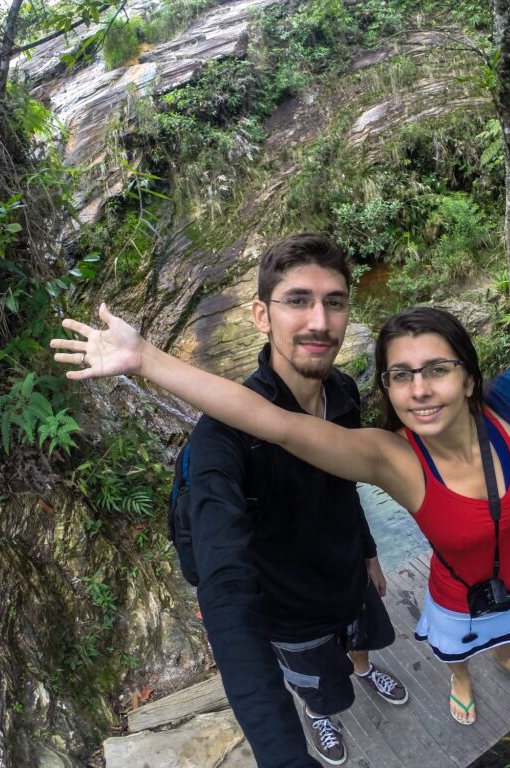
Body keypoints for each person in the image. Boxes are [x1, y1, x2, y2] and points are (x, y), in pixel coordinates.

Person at [51, 245, 510, 729]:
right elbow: (275, 423)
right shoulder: (392, 459)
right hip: (452, 595)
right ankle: (459, 680)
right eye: (401, 376)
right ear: (388, 392)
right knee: (455, 656)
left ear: (470, 379)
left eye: (437, 370)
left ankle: (505, 655)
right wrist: (147, 361)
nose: (420, 389)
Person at [164, 234, 408, 766]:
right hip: (292, 614)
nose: (319, 321)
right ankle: (319, 714)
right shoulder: (223, 438)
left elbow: (343, 483)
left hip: (350, 578)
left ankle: (364, 669)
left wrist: (367, 550)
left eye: (334, 302)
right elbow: (223, 583)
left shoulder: (341, 391)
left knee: (362, 647)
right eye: (298, 300)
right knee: (323, 689)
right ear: (261, 315)